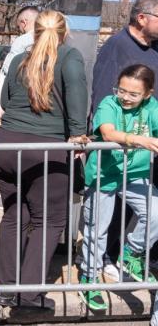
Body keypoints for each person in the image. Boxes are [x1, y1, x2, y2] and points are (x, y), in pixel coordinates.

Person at [0, 10, 88, 310]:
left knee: (13, 216)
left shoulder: (21, 57)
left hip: (7, 145)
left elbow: (7, 102)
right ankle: (30, 296)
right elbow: (76, 94)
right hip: (45, 148)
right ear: (65, 31)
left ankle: (7, 290)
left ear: (33, 31)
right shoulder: (70, 55)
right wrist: (77, 134)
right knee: (48, 221)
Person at [79, 64, 158, 311]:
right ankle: (89, 280)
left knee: (155, 213)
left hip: (136, 175)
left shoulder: (152, 107)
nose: (125, 97)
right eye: (121, 90)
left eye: (133, 94)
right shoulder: (109, 104)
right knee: (97, 231)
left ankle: (132, 254)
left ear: (147, 94)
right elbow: (108, 132)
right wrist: (139, 140)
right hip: (104, 176)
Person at [90, 0, 158, 276]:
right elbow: (103, 96)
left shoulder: (155, 49)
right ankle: (105, 258)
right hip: (120, 146)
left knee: (146, 208)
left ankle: (133, 254)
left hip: (147, 143)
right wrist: (114, 135)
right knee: (110, 211)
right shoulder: (115, 48)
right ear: (142, 18)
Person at [0, 6, 39, 117]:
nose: (19, 29)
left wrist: (0, 106)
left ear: (24, 22)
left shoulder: (22, 41)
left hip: (22, 100)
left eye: (18, 26)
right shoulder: (53, 39)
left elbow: (6, 72)